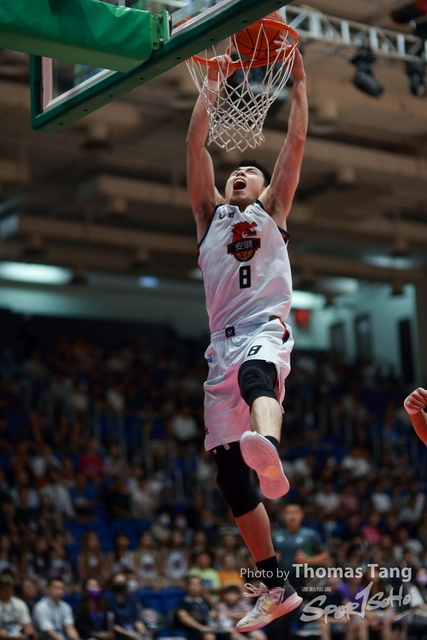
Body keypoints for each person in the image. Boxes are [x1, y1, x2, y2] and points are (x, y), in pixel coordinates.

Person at [186, 40, 308, 631]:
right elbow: (194, 147)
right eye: (235, 170)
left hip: (263, 327)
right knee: (230, 477)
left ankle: (272, 453)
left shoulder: (272, 212)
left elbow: (294, 145)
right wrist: (210, 86)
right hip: (220, 343)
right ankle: (275, 586)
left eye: (250, 172)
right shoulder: (207, 217)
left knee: (256, 376)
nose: (240, 172)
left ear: (262, 189)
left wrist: (300, 85)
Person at [0, 570, 36, 640]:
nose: (7, 592)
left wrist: (30, 634)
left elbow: (26, 624)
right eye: (5, 589)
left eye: (9, 589)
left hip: (19, 636)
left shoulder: (19, 603)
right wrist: (14, 638)